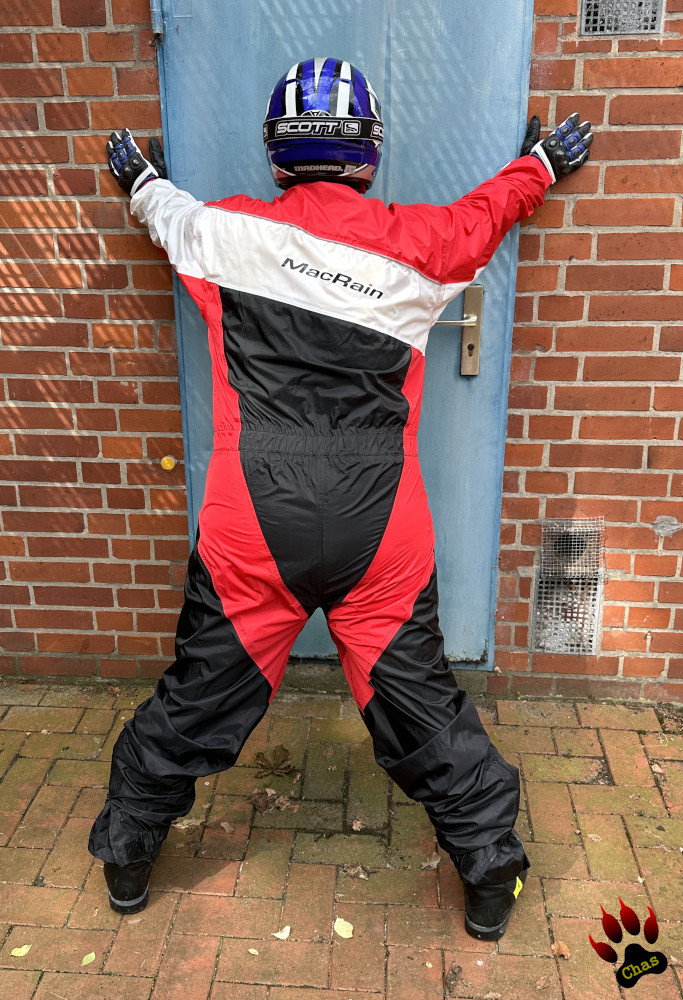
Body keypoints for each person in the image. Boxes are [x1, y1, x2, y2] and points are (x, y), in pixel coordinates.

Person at [89, 57, 592, 941]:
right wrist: (542, 162)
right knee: (418, 698)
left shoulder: (225, 232)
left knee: (202, 693)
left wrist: (138, 174)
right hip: (379, 512)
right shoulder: (421, 241)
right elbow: (489, 214)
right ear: (368, 153)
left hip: (254, 513)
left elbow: (166, 216)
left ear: (277, 156)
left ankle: (129, 851)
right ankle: (487, 872)